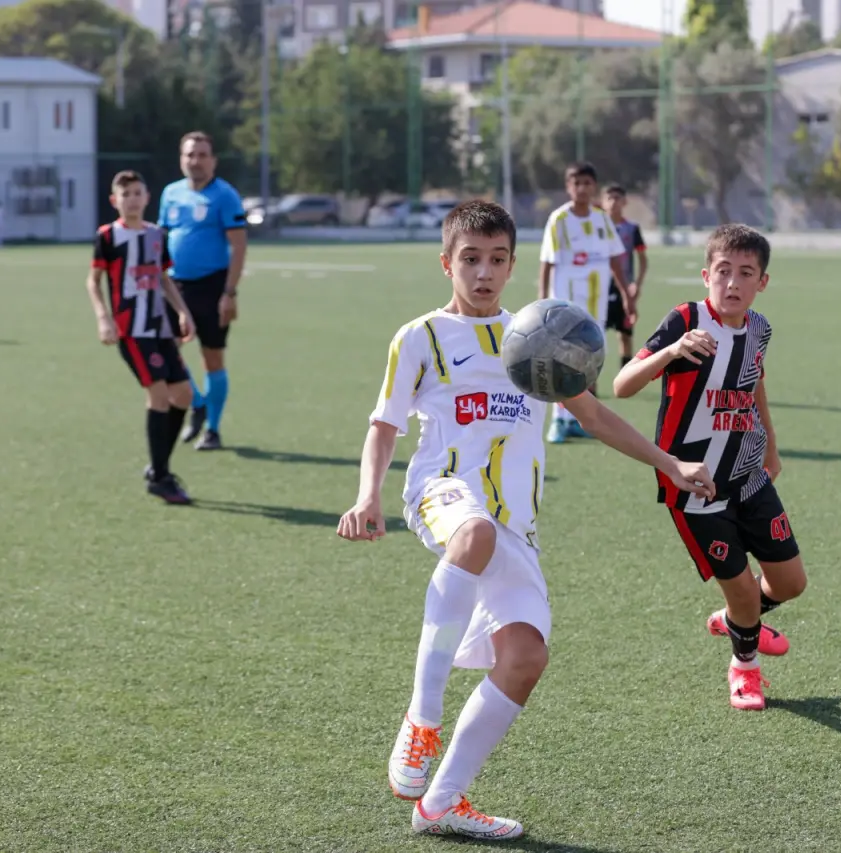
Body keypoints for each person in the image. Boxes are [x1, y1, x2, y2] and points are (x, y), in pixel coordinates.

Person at [337, 200, 715, 840]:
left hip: (517, 525)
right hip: (443, 490)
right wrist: (367, 495)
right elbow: (384, 426)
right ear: (446, 263)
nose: (483, 273)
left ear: (513, 264)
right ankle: (422, 718)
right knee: (474, 532)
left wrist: (669, 464)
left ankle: (441, 805)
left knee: (525, 657)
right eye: (470, 259)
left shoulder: (536, 336)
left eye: (497, 259)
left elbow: (594, 417)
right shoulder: (422, 337)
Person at [612, 224, 807, 712]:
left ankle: (738, 618)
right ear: (706, 275)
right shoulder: (685, 321)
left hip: (748, 474)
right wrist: (671, 351)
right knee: (742, 587)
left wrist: (771, 445)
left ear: (762, 282)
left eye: (746, 273)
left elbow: (754, 383)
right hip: (695, 485)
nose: (733, 283)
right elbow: (621, 385)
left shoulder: (759, 329)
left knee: (790, 583)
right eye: (723, 271)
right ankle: (744, 669)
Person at [87, 170, 197, 504]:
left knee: (184, 395)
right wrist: (103, 318)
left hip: (160, 327)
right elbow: (93, 281)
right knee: (160, 395)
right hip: (131, 330)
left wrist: (182, 312)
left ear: (147, 197)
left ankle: (158, 467)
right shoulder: (107, 236)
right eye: (126, 194)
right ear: (114, 201)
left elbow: (163, 278)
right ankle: (161, 477)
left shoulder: (156, 235)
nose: (132, 199)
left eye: (137, 193)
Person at [159, 131, 248, 450]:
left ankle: (212, 429)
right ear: (181, 159)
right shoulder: (170, 193)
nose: (195, 161)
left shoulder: (224, 195)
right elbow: (162, 238)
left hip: (212, 285)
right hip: (173, 285)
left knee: (212, 358)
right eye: (189, 155)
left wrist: (230, 292)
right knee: (162, 351)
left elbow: (238, 246)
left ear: (213, 160)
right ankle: (197, 403)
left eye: (201, 155)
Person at [538, 161, 634, 444]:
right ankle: (558, 421)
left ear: (594, 187)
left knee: (587, 361)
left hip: (596, 304)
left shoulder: (602, 220)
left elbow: (616, 258)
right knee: (561, 360)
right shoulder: (559, 220)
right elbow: (547, 262)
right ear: (569, 187)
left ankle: (577, 420)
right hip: (564, 305)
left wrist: (627, 295)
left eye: (587, 183)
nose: (582, 188)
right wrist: (543, 300)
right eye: (576, 183)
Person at [603, 184, 648, 369]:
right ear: (603, 202)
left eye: (617, 198)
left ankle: (626, 374)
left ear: (624, 202)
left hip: (624, 288)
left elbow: (643, 259)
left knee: (625, 335)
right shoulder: (597, 227)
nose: (613, 202)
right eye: (610, 198)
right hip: (600, 288)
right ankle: (591, 381)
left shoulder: (632, 228)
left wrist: (636, 284)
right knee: (595, 334)